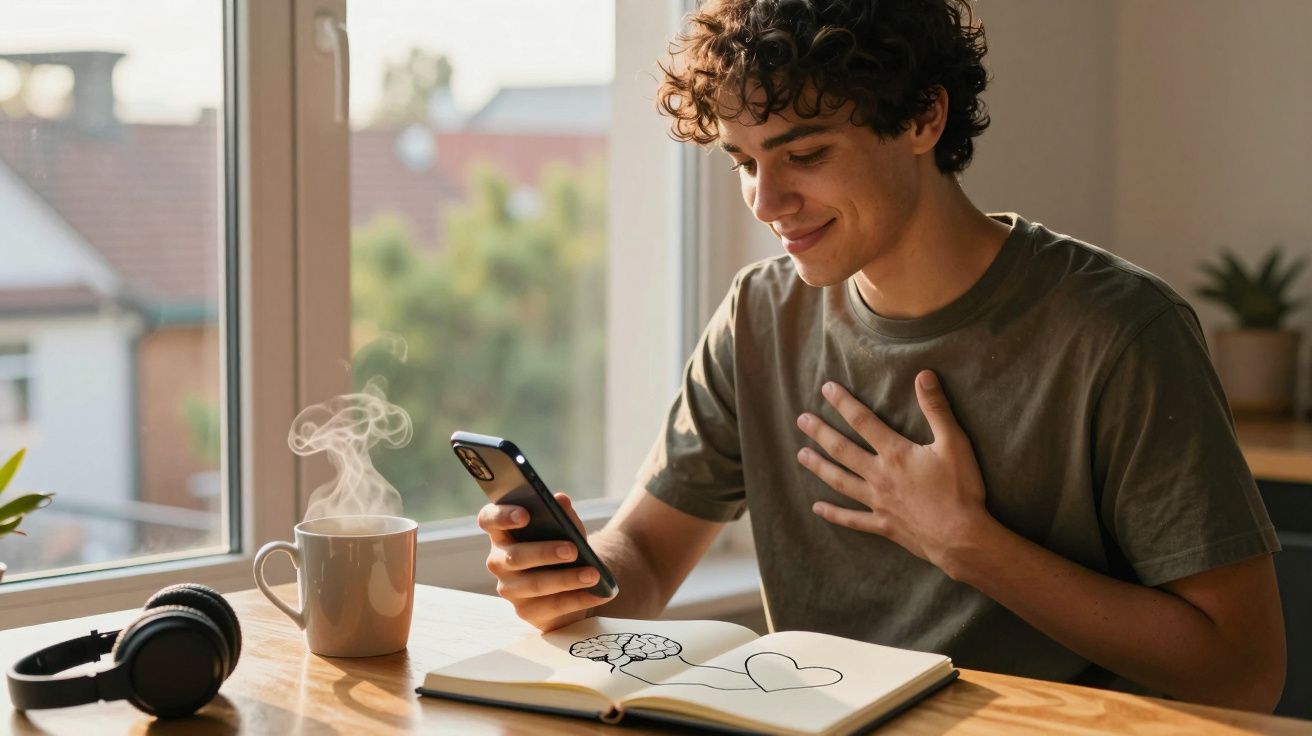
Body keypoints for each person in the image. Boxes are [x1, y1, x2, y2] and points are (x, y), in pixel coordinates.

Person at [478, 0, 1286, 712]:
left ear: (922, 120)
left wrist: (970, 545)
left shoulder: (1121, 331)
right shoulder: (759, 316)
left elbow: (1244, 673)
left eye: (805, 154)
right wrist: (571, 576)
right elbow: (647, 560)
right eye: (744, 163)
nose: (767, 202)